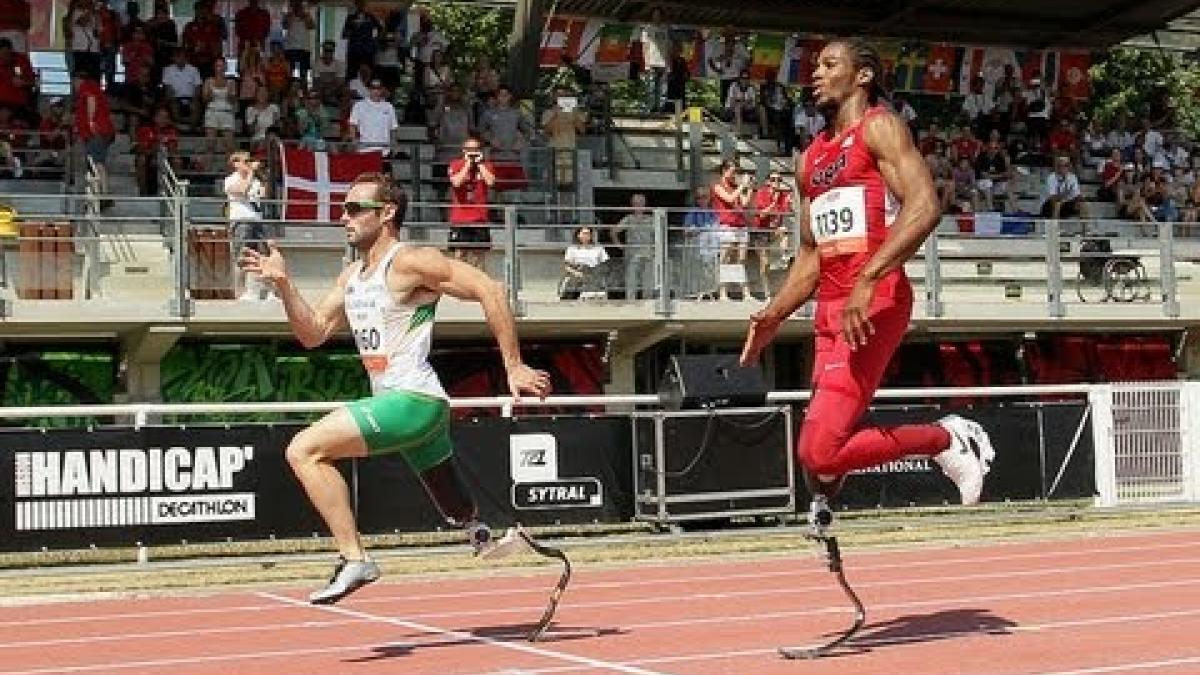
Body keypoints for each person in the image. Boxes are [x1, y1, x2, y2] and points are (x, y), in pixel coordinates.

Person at [237, 172, 551, 604]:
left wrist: (513, 366)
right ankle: (480, 534)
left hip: (413, 400)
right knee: (448, 493)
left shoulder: (410, 261)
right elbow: (312, 334)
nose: (343, 217)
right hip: (411, 408)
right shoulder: (352, 276)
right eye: (342, 208)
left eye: (354, 209)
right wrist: (284, 285)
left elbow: (490, 289)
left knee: (303, 450)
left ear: (386, 214)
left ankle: (354, 559)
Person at [739, 39, 994, 508]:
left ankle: (946, 439)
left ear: (862, 76)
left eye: (829, 64)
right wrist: (773, 313)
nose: (815, 72)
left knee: (818, 451)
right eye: (815, 65)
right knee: (821, 471)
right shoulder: (810, 159)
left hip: (875, 300)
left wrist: (869, 278)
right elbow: (812, 254)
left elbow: (924, 208)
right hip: (831, 312)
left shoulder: (881, 129)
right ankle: (931, 445)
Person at [447, 134, 496, 268]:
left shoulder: (486, 165)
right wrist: (468, 164)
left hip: (479, 218)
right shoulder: (456, 164)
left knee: (479, 257)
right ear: (464, 150)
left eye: (475, 149)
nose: (472, 152)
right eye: (469, 149)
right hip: (460, 218)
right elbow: (456, 182)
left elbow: (491, 181)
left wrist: (479, 164)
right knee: (459, 256)